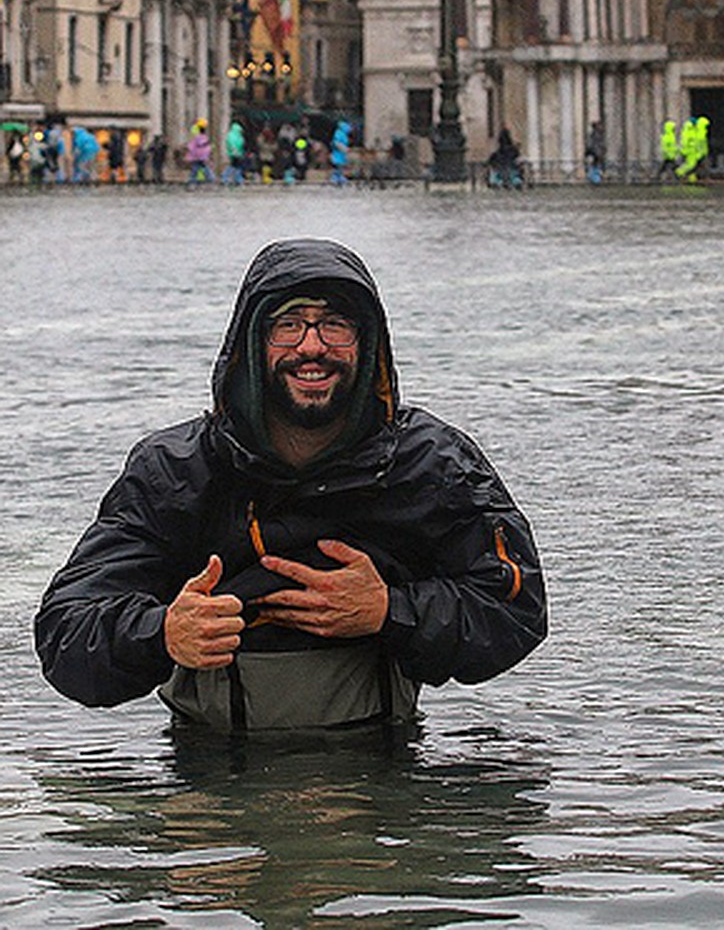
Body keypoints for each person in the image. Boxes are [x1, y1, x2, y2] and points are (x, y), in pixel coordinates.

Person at [34, 238, 547, 734]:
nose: (311, 346)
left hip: (381, 769)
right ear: (252, 345)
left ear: (367, 344)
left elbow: (516, 610)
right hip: (209, 775)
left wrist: (389, 611)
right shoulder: (174, 471)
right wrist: (162, 633)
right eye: (289, 325)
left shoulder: (432, 462)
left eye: (335, 326)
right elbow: (64, 632)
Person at [186, 119, 214, 184]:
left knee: (196, 168)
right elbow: (205, 146)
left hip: (196, 156)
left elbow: (191, 146)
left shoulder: (196, 136)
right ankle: (210, 178)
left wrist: (189, 154)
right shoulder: (203, 137)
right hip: (201, 156)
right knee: (202, 167)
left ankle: (193, 179)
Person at [222, 118, 246, 185]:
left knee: (237, 166)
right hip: (235, 153)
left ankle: (238, 179)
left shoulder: (235, 135)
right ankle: (226, 177)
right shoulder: (234, 135)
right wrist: (235, 151)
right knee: (234, 166)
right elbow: (232, 144)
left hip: (237, 153)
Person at [330, 120, 351, 186]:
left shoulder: (343, 134)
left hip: (341, 154)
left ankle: (340, 178)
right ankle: (335, 178)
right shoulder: (338, 133)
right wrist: (344, 149)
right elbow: (337, 143)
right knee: (337, 166)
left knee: (341, 167)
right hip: (338, 154)